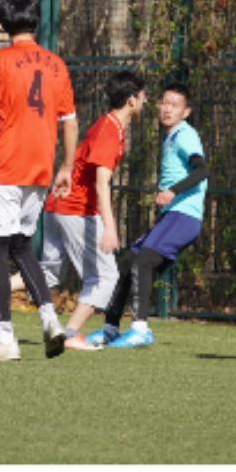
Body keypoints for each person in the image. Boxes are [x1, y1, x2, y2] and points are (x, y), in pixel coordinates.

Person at [0, 0, 78, 361]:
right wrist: (66, 167)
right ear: (35, 21)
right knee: (22, 247)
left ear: (4, 23)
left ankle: (4, 338)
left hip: (7, 167)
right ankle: (51, 321)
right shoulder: (57, 65)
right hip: (40, 170)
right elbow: (70, 122)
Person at [84, 78, 208, 350]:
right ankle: (110, 329)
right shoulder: (171, 136)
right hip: (172, 216)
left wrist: (172, 191)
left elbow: (201, 170)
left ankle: (140, 329)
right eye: (164, 102)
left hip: (184, 216)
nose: (167, 109)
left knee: (143, 262)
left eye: (175, 105)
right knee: (128, 263)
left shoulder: (185, 134)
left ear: (186, 112)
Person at [28, 69, 143, 347]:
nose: (144, 102)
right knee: (106, 276)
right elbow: (102, 184)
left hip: (57, 205)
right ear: (131, 100)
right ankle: (70, 334)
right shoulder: (110, 131)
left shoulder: (108, 125)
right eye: (143, 97)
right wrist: (110, 229)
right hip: (75, 209)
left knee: (48, 273)